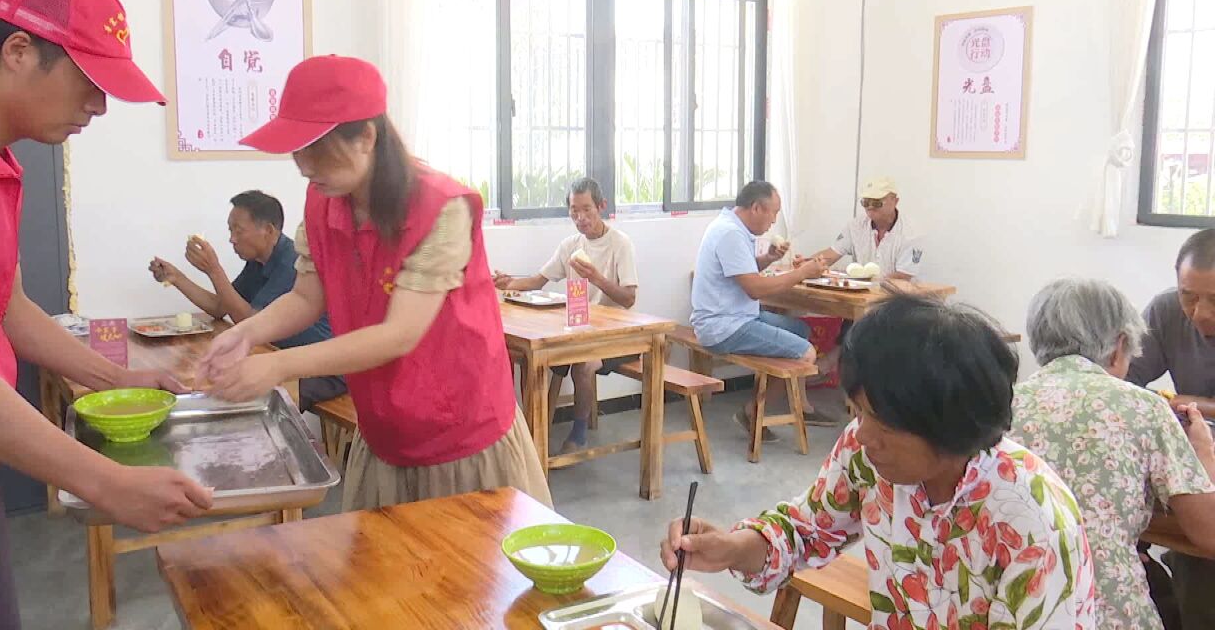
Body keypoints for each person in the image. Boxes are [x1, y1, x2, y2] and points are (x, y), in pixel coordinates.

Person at [0, 0, 213, 628]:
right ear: (19, 52)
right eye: (90, 83)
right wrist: (104, 482)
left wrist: (119, 379)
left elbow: (9, 308)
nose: (99, 107)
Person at [195, 55, 552, 511]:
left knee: (475, 576)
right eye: (297, 149)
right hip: (385, 427)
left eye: (315, 148)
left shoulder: (441, 207)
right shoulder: (325, 198)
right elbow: (306, 295)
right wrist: (245, 333)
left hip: (462, 433)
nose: (303, 165)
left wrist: (281, 367)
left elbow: (398, 334)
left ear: (366, 136)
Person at [659, 294, 1097, 627]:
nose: (863, 435)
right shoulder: (867, 454)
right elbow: (806, 530)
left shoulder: (1033, 526)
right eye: (858, 411)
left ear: (949, 424)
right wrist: (732, 550)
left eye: (883, 421)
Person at [1012, 278, 1215, 630]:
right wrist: (1203, 451)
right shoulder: (1145, 408)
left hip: (1016, 607)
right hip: (1108, 613)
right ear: (1120, 346)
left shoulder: (999, 407)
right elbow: (1209, 535)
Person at [148, 190, 345, 411]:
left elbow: (248, 319)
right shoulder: (257, 262)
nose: (232, 239)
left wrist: (214, 270)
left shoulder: (291, 261)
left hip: (321, 368)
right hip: (275, 355)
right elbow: (220, 307)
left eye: (238, 231)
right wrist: (177, 278)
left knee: (239, 402)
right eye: (230, 230)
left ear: (268, 231)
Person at [493, 177, 639, 453]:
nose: (581, 217)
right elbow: (537, 280)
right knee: (533, 359)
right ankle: (531, 437)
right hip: (580, 330)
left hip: (616, 337)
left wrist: (596, 278)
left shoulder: (620, 244)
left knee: (583, 365)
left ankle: (579, 432)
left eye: (587, 210)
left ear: (602, 206)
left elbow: (629, 299)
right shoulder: (571, 245)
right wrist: (507, 283)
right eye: (574, 210)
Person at [1128, 228, 1215, 628]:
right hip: (1190, 467)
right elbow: (1120, 384)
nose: (1200, 313)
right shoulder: (1165, 311)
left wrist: (1190, 403)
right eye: (1189, 296)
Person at [691, 180, 826, 437]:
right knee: (806, 354)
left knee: (800, 329)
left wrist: (769, 258)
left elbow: (741, 271)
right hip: (725, 327)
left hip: (734, 318)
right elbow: (755, 289)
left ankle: (803, 406)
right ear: (756, 208)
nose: (774, 221)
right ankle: (752, 411)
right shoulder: (730, 233)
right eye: (773, 212)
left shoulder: (731, 226)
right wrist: (802, 273)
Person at [800, 176, 923, 280]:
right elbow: (831, 254)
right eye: (865, 202)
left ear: (895, 201)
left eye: (876, 202)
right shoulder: (856, 225)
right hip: (861, 294)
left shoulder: (911, 233)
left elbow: (903, 277)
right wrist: (807, 264)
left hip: (896, 301)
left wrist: (866, 284)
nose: (869, 207)